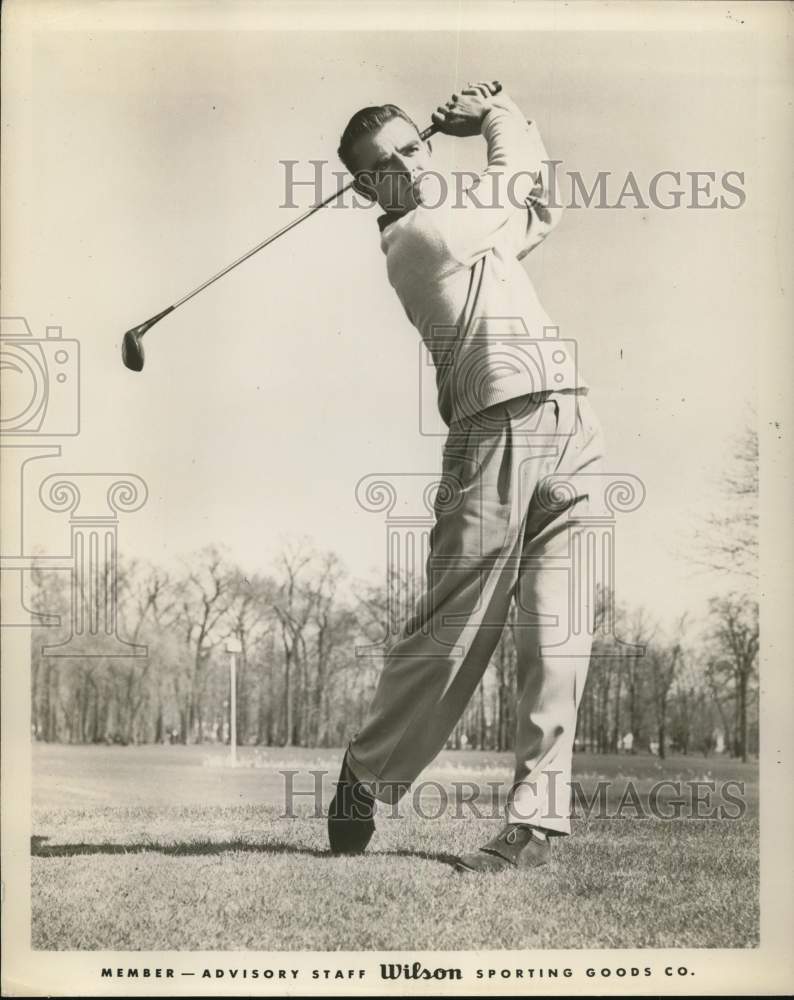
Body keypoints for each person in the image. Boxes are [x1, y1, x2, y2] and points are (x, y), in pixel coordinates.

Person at [329, 82, 605, 873]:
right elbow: (516, 173)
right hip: (496, 430)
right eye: (388, 163)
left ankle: (533, 829)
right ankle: (367, 774)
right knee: (458, 632)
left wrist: (512, 123)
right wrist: (491, 113)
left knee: (558, 632)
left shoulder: (466, 227)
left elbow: (536, 204)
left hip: (569, 422)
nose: (410, 166)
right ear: (365, 187)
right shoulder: (421, 235)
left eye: (416, 147)